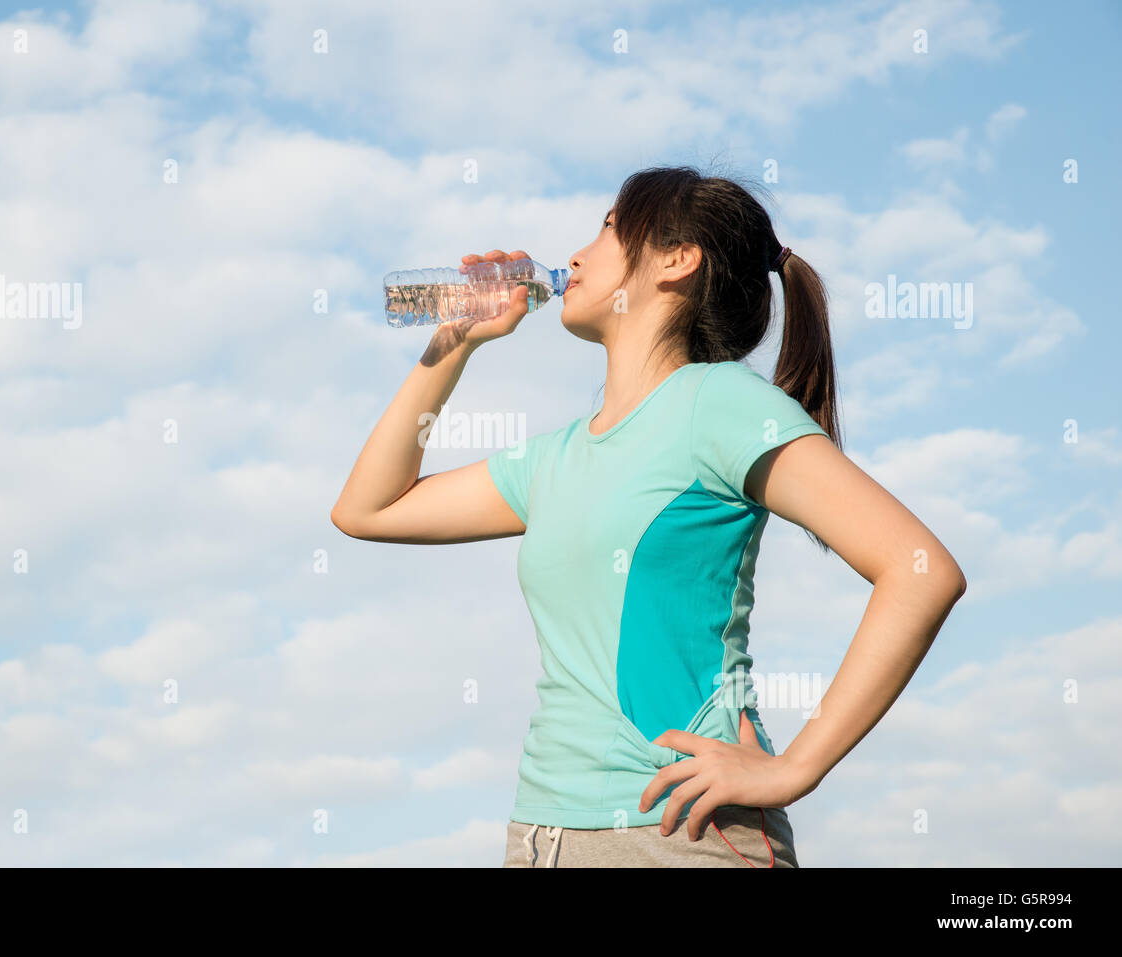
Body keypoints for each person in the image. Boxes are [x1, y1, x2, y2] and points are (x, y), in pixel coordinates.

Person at [330, 165, 966, 867]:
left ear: (675, 259)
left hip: (677, 834)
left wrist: (797, 768)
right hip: (541, 836)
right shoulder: (556, 456)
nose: (573, 256)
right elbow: (369, 507)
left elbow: (921, 570)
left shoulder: (718, 404)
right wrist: (454, 343)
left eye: (606, 228)